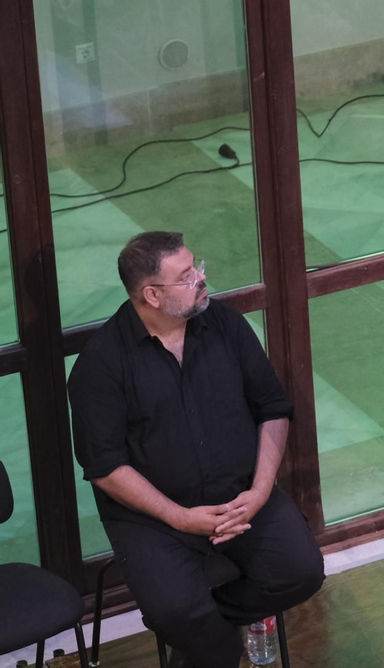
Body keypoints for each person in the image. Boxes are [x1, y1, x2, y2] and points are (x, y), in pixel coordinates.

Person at [68, 232, 324, 668]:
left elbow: (273, 407)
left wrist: (261, 491)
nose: (202, 278)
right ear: (151, 295)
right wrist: (180, 517)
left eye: (196, 266)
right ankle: (215, 647)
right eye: (186, 276)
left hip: (240, 496)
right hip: (155, 521)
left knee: (301, 572)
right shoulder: (102, 364)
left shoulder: (225, 324)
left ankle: (206, 638)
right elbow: (105, 467)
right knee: (174, 611)